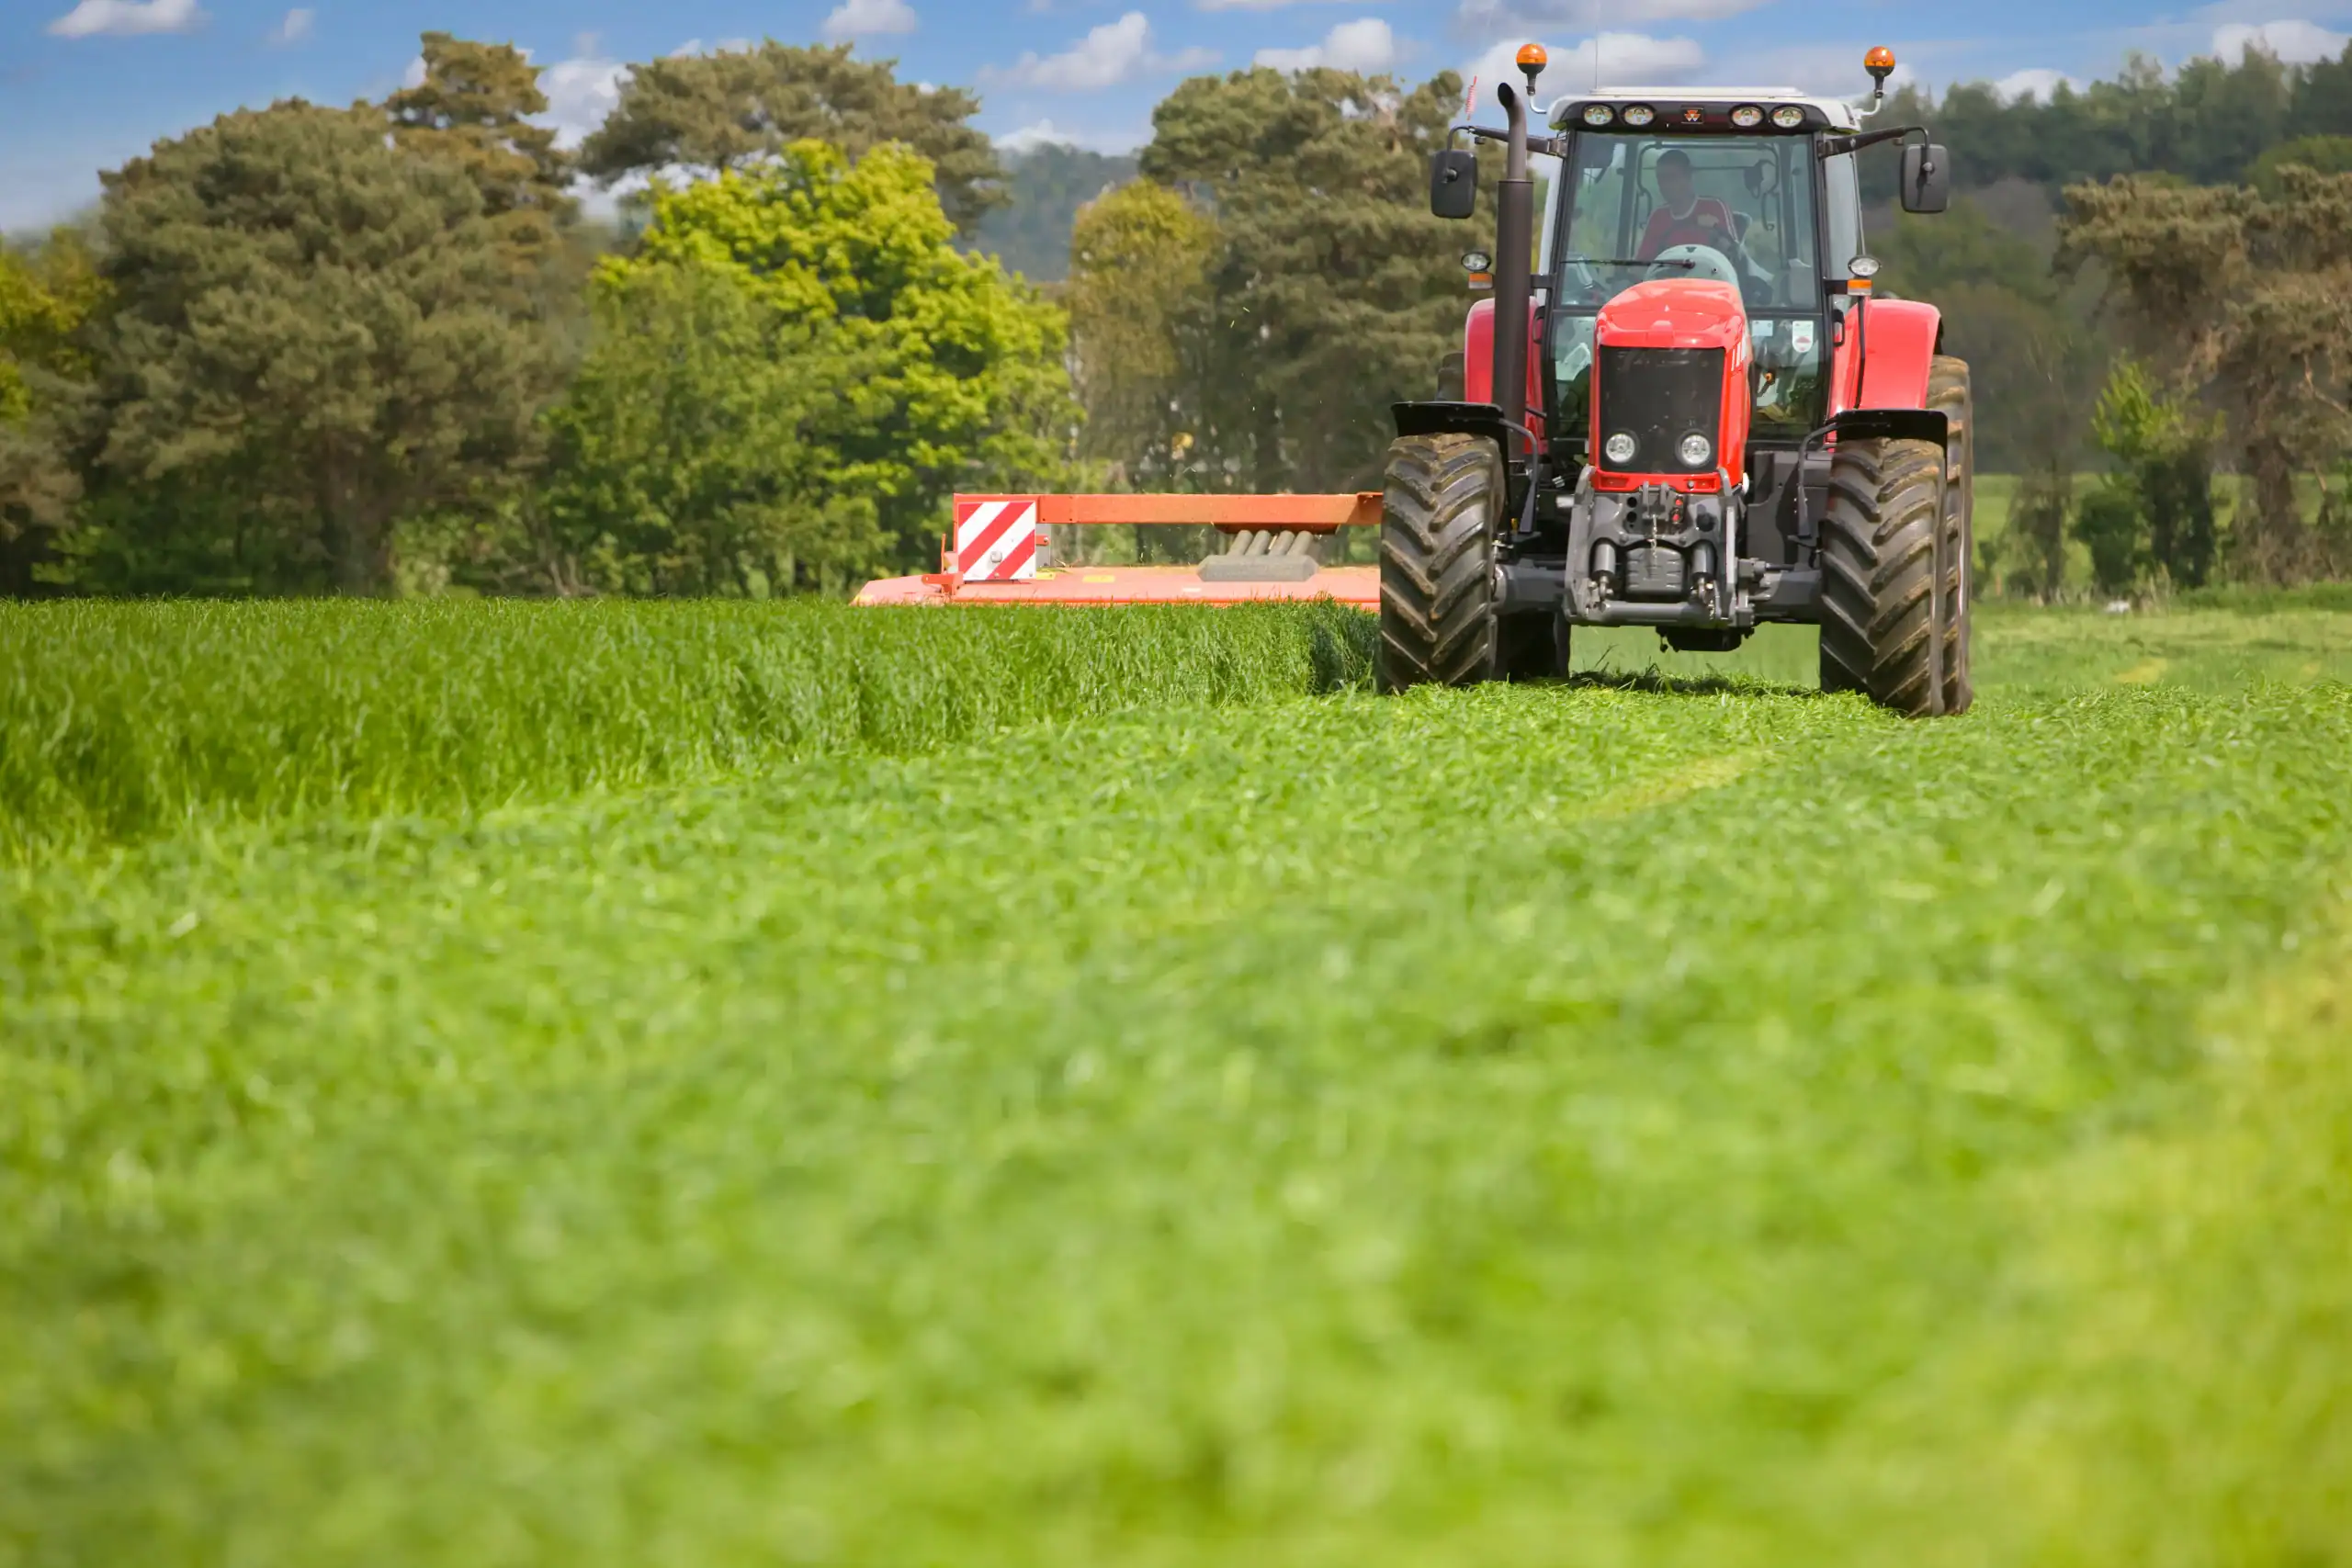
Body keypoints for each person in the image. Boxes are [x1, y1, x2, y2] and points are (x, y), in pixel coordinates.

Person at [1638, 150, 1736, 262]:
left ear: (1688, 177)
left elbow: (1734, 257)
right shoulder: (1657, 218)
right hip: (1667, 278)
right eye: (1660, 179)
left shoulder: (1714, 208)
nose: (1664, 185)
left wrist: (1716, 232)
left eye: (1671, 178)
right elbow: (1641, 264)